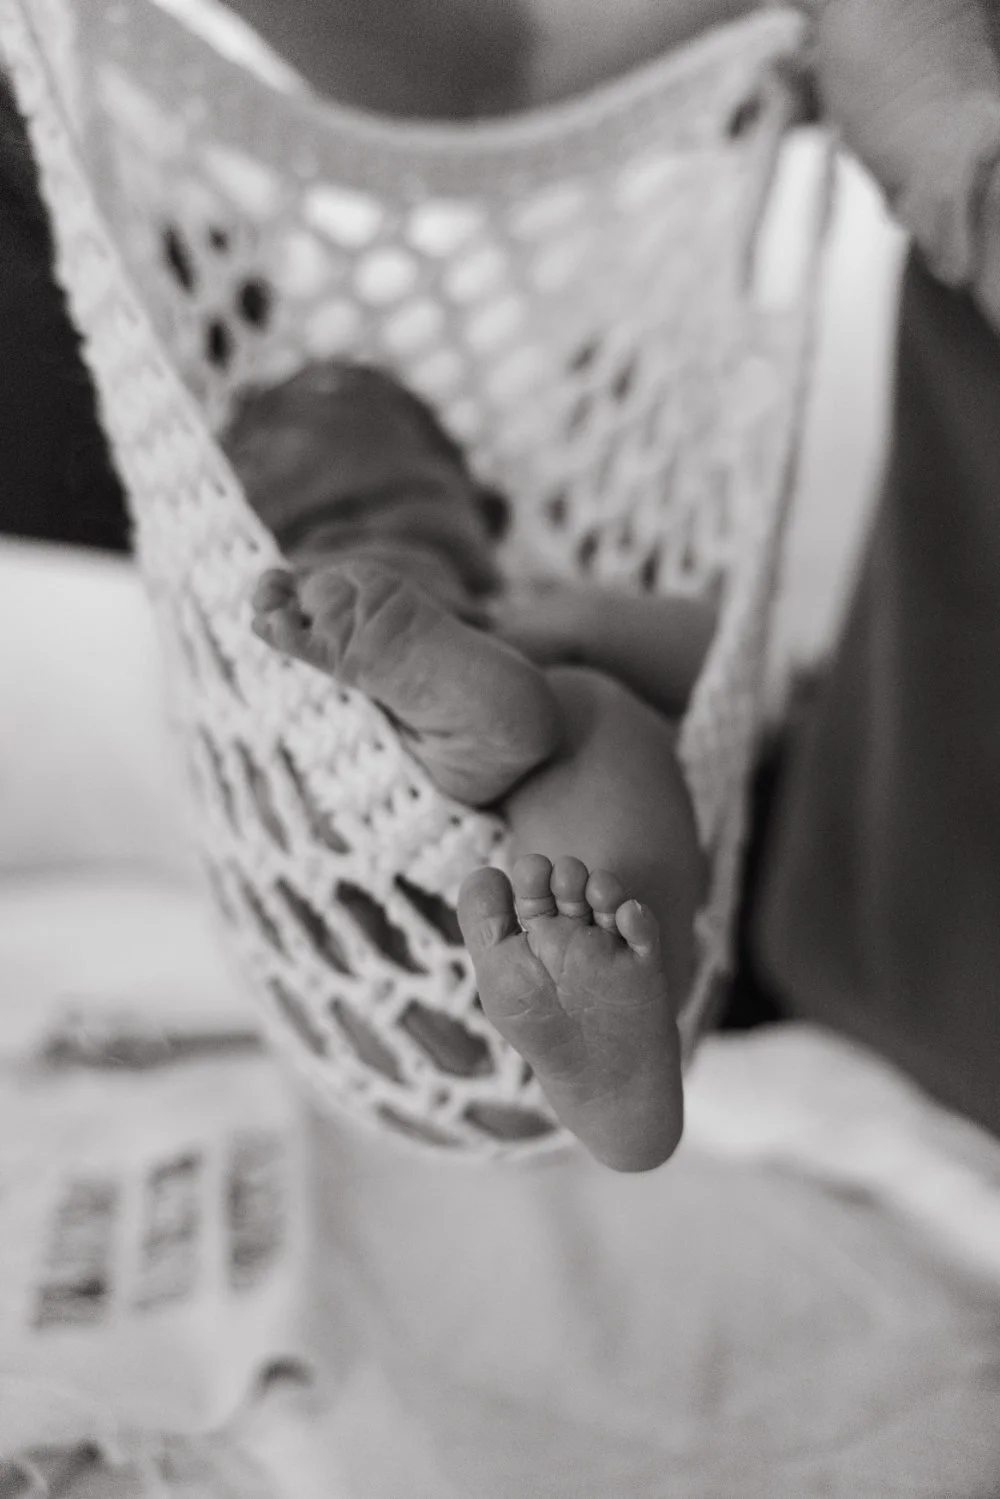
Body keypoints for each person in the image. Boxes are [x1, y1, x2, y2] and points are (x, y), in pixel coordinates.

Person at [224, 361, 715, 1173]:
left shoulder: (539, 598)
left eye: (391, 504)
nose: (362, 539)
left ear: (484, 515)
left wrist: (576, 625)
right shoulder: (268, 658)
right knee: (560, 708)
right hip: (368, 935)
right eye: (311, 527)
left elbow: (722, 668)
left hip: (508, 956)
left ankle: (611, 1034)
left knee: (600, 722)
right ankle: (448, 713)